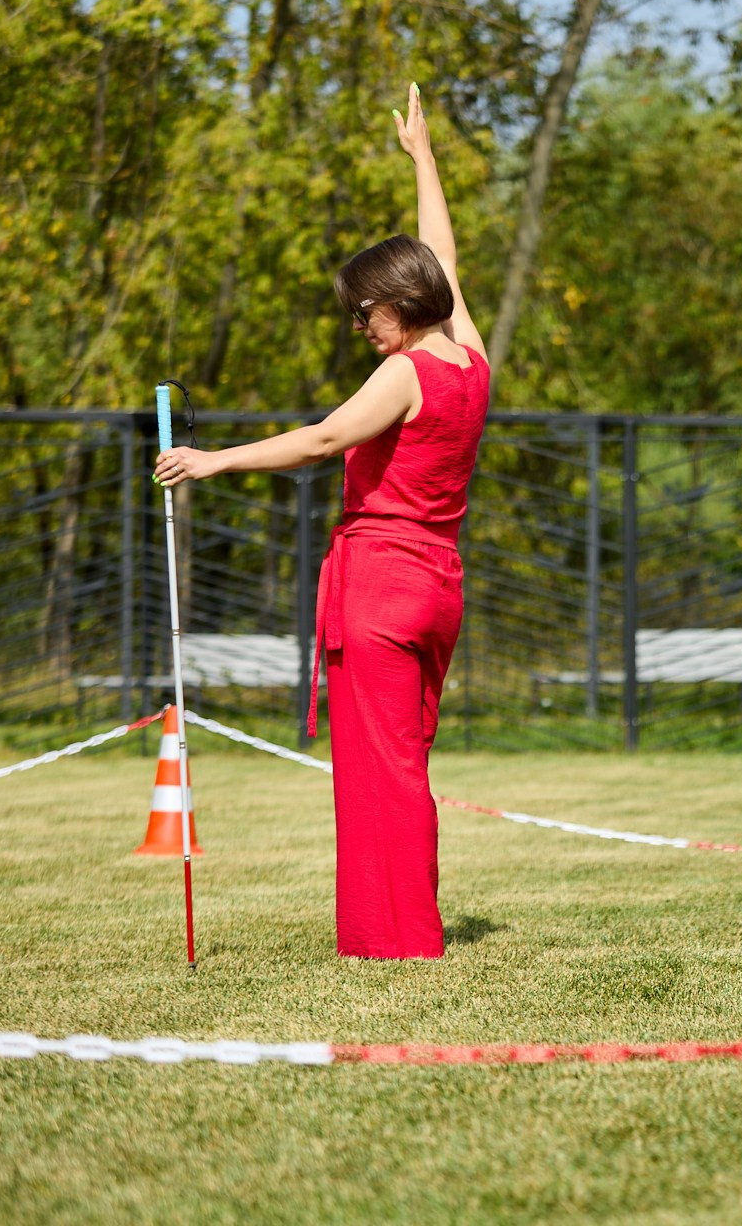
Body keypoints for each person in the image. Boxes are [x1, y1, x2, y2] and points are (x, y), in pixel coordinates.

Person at [154, 83, 489, 959]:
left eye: (366, 311)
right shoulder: (472, 358)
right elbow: (445, 262)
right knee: (404, 759)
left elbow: (327, 438)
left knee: (382, 771)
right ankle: (395, 928)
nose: (361, 326)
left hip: (380, 583)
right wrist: (424, 159)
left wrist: (213, 459)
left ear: (403, 304)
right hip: (440, 584)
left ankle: (398, 940)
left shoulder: (408, 371)